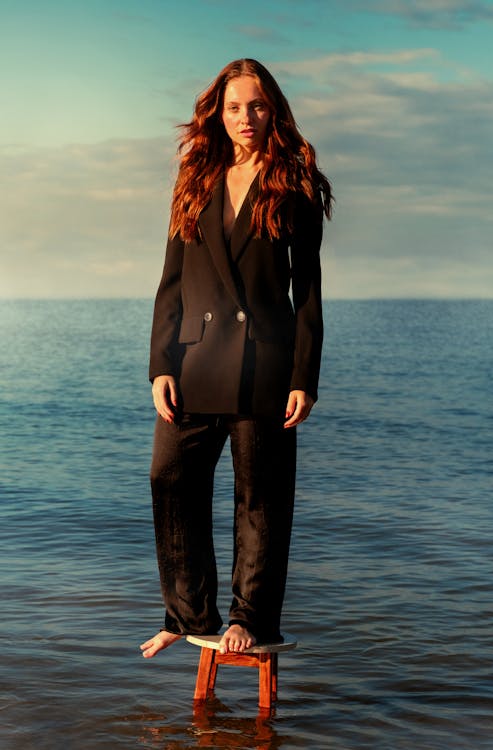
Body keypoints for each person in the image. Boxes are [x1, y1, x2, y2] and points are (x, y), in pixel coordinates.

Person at [140, 59, 332, 659]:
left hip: (266, 365)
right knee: (169, 479)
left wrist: (305, 375)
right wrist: (161, 364)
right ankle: (188, 611)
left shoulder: (294, 181)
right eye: (233, 107)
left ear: (272, 108)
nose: (244, 118)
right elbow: (171, 281)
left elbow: (309, 291)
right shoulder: (195, 176)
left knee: (262, 498)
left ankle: (251, 618)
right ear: (217, 114)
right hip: (195, 361)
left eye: (255, 106)